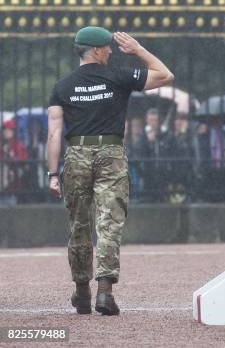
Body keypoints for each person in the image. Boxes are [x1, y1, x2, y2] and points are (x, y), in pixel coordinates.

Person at [46, 26, 174, 315]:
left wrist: (53, 174)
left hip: (76, 154)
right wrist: (138, 50)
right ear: (97, 50)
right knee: (109, 223)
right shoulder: (118, 76)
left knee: (79, 224)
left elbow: (54, 134)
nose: (112, 51)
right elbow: (166, 75)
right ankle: (104, 293)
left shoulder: (62, 85)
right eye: (108, 47)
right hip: (111, 153)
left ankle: (81, 292)